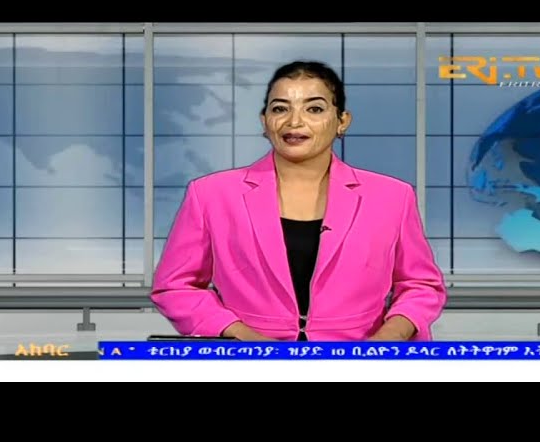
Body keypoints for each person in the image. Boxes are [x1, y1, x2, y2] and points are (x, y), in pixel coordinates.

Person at [151, 60, 446, 342]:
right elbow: (175, 287)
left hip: (361, 359)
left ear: (342, 121)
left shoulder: (392, 196)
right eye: (280, 108)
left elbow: (420, 285)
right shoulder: (211, 194)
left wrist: (388, 338)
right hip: (249, 359)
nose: (294, 121)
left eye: (314, 108)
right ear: (265, 121)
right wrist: (240, 335)